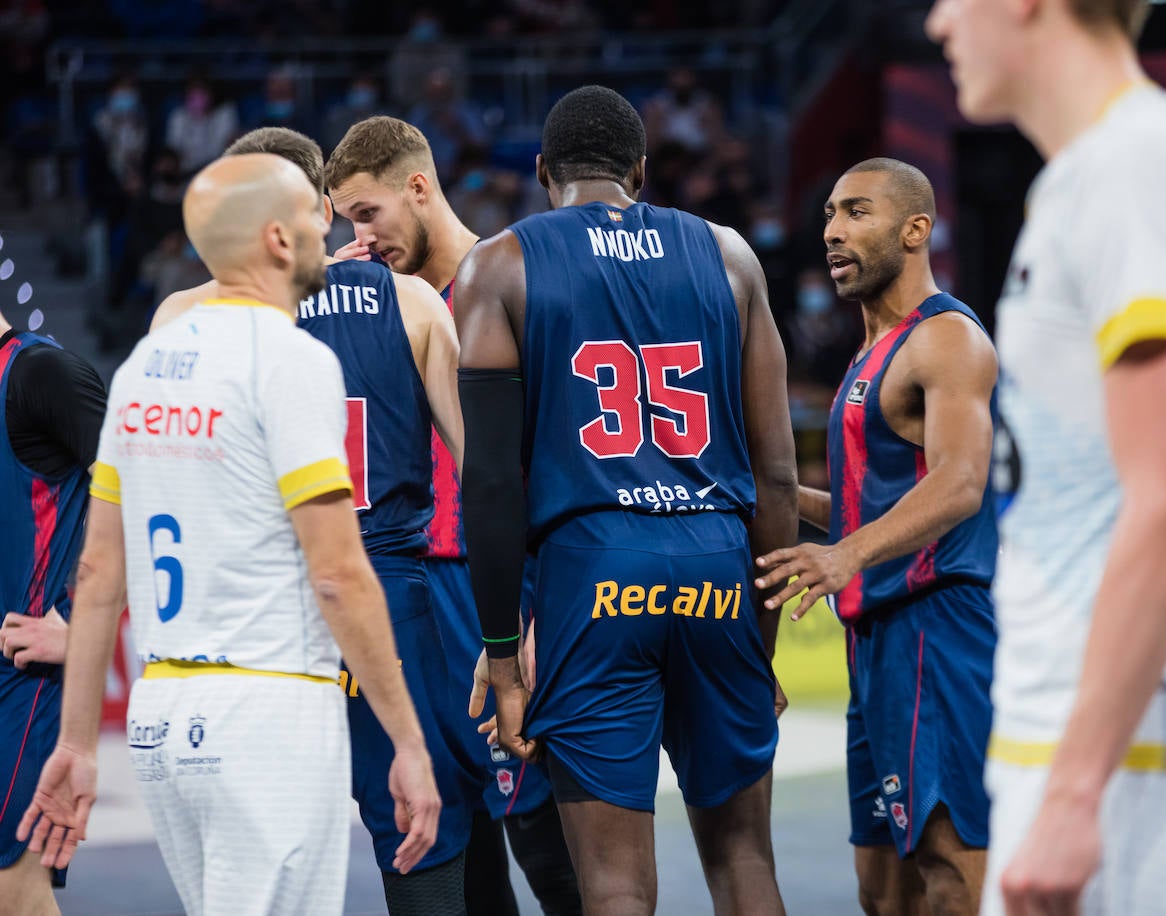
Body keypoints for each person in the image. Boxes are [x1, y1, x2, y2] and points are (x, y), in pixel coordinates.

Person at [924, 2, 1166, 914]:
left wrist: (1086, 791)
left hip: (1133, 748)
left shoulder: (1133, 169)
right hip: (1154, 746)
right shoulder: (1140, 161)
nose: (936, 22)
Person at [19, 153, 441, 915]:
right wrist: (408, 742)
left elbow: (99, 574)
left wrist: (78, 744)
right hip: (266, 714)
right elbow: (339, 574)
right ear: (279, 239)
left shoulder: (145, 365)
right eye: (315, 218)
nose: (329, 231)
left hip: (161, 719)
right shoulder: (290, 361)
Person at [456, 84, 797, 915]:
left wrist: (505, 656)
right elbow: (777, 471)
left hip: (595, 570)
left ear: (542, 173)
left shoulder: (498, 264)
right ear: (641, 172)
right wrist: (761, 641)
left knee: (612, 885)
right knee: (746, 859)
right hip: (716, 555)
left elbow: (493, 483)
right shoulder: (729, 255)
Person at [148, 127, 481, 914]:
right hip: (385, 594)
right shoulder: (407, 300)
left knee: (252, 839)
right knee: (417, 814)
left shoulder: (181, 318)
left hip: (244, 609)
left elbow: (161, 499)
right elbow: (486, 479)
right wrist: (516, 623)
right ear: (321, 210)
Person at [326, 115, 582, 915]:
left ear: (418, 186)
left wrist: (537, 609)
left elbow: (555, 457)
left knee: (543, 826)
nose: (359, 235)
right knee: (448, 836)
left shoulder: (508, 279)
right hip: (410, 594)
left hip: (498, 588)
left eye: (368, 214)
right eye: (344, 221)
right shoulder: (366, 304)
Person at [755, 158, 997, 915]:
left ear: (915, 229)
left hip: (934, 628)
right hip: (876, 642)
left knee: (952, 862)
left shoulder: (946, 340)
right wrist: (775, 495)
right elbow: (868, 505)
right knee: (882, 888)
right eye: (829, 213)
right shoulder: (867, 354)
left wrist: (846, 555)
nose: (832, 231)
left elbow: (960, 483)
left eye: (857, 212)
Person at [0, 312, 106, 916]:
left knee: (15, 896)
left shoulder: (43, 374)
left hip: (23, 685)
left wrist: (89, 632)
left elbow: (155, 502)